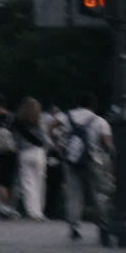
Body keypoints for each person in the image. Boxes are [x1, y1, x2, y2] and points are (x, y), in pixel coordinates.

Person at [56, 93, 110, 241]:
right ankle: (103, 225)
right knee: (98, 193)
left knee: (74, 194)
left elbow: (51, 125)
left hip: (71, 160)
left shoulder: (66, 116)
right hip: (93, 161)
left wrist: (57, 144)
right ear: (94, 105)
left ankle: (74, 227)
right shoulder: (100, 121)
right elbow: (106, 143)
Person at [13, 98, 49, 220]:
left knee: (28, 184)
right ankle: (39, 211)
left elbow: (16, 140)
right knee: (40, 183)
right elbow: (45, 140)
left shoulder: (18, 122)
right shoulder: (39, 122)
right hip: (38, 152)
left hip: (25, 153)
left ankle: (32, 211)